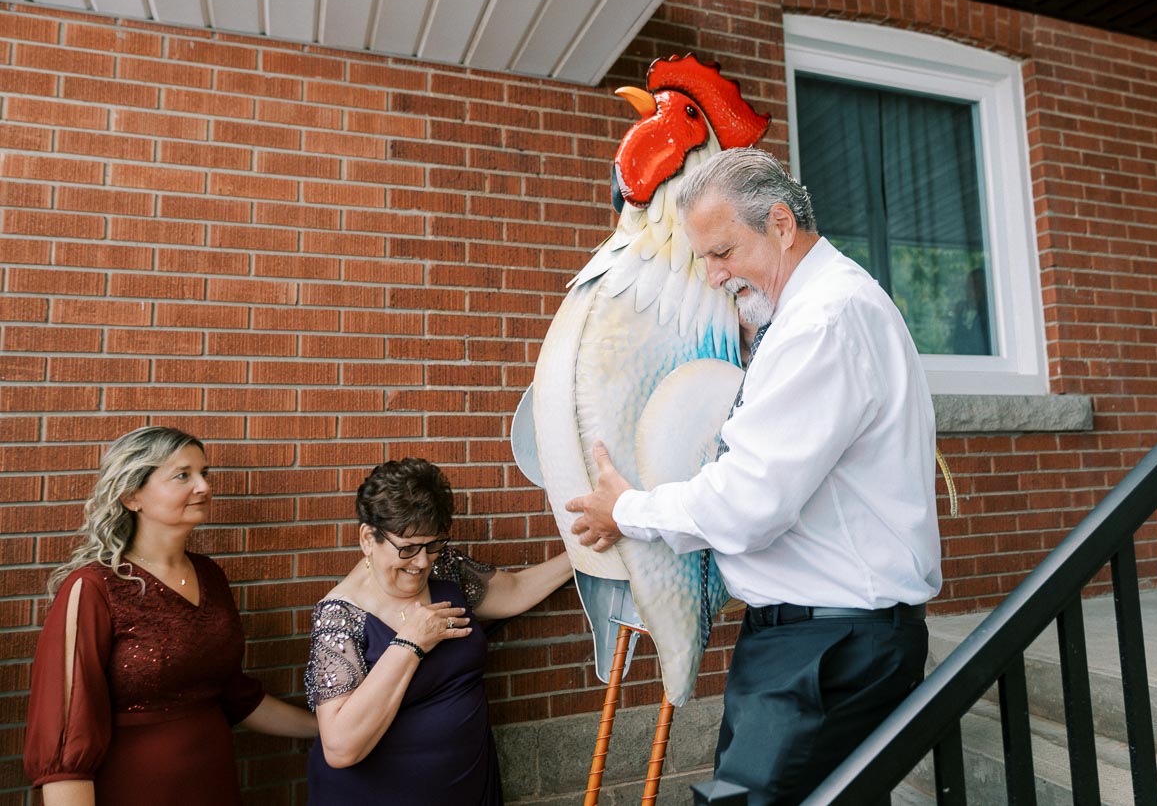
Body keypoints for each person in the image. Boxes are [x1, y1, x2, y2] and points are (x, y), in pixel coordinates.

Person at [567, 147, 942, 805]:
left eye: (722, 253)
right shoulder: (810, 312)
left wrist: (628, 510)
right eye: (704, 259)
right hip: (812, 642)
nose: (712, 276)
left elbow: (749, 502)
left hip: (828, 651)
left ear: (779, 224)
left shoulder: (824, 321)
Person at [24, 426, 317, 806]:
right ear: (132, 496)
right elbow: (65, 736)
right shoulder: (95, 587)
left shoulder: (210, 575)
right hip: (135, 787)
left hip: (214, 782)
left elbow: (236, 697)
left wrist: (328, 730)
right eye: (183, 475)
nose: (203, 487)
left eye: (204, 473)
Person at [304, 456, 572, 805]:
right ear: (369, 538)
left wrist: (583, 556)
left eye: (433, 545)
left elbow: (517, 591)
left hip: (468, 786)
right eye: (408, 548)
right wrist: (409, 644)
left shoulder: (445, 569)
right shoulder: (339, 616)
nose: (421, 562)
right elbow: (341, 747)